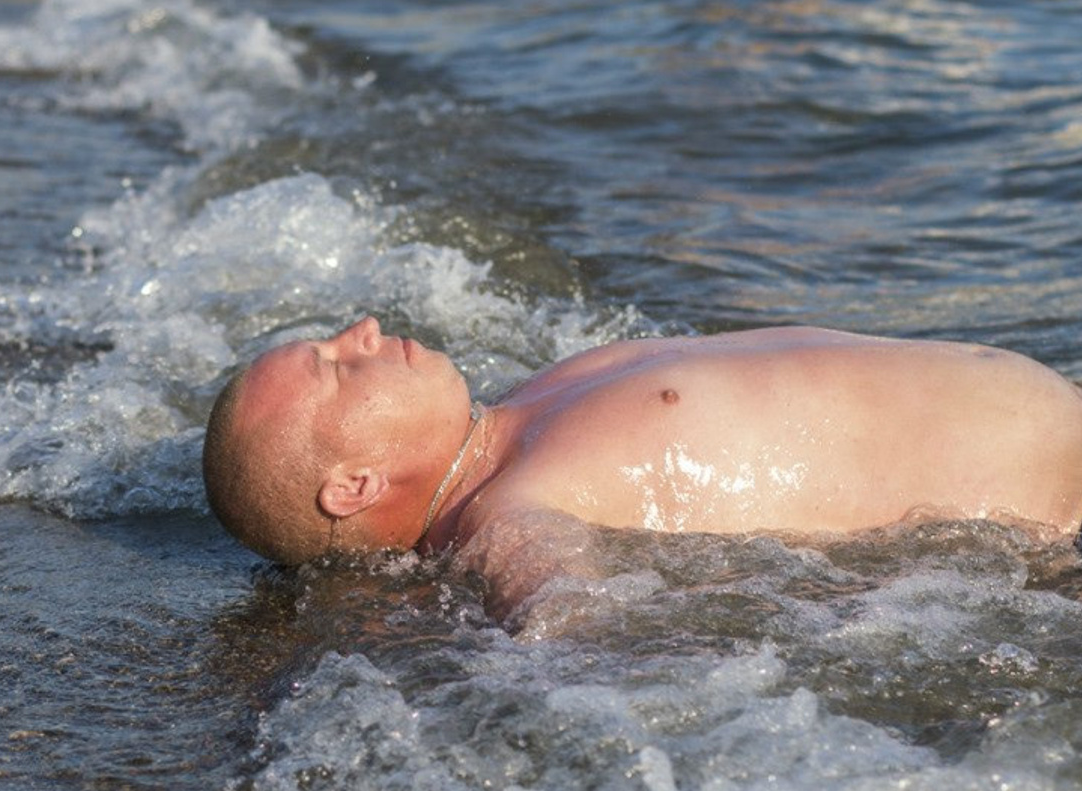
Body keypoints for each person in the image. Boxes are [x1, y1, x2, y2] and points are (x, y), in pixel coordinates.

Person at [203, 316, 1082, 614]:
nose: (359, 332)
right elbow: (573, 639)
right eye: (334, 366)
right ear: (352, 485)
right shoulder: (513, 515)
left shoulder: (526, 411)